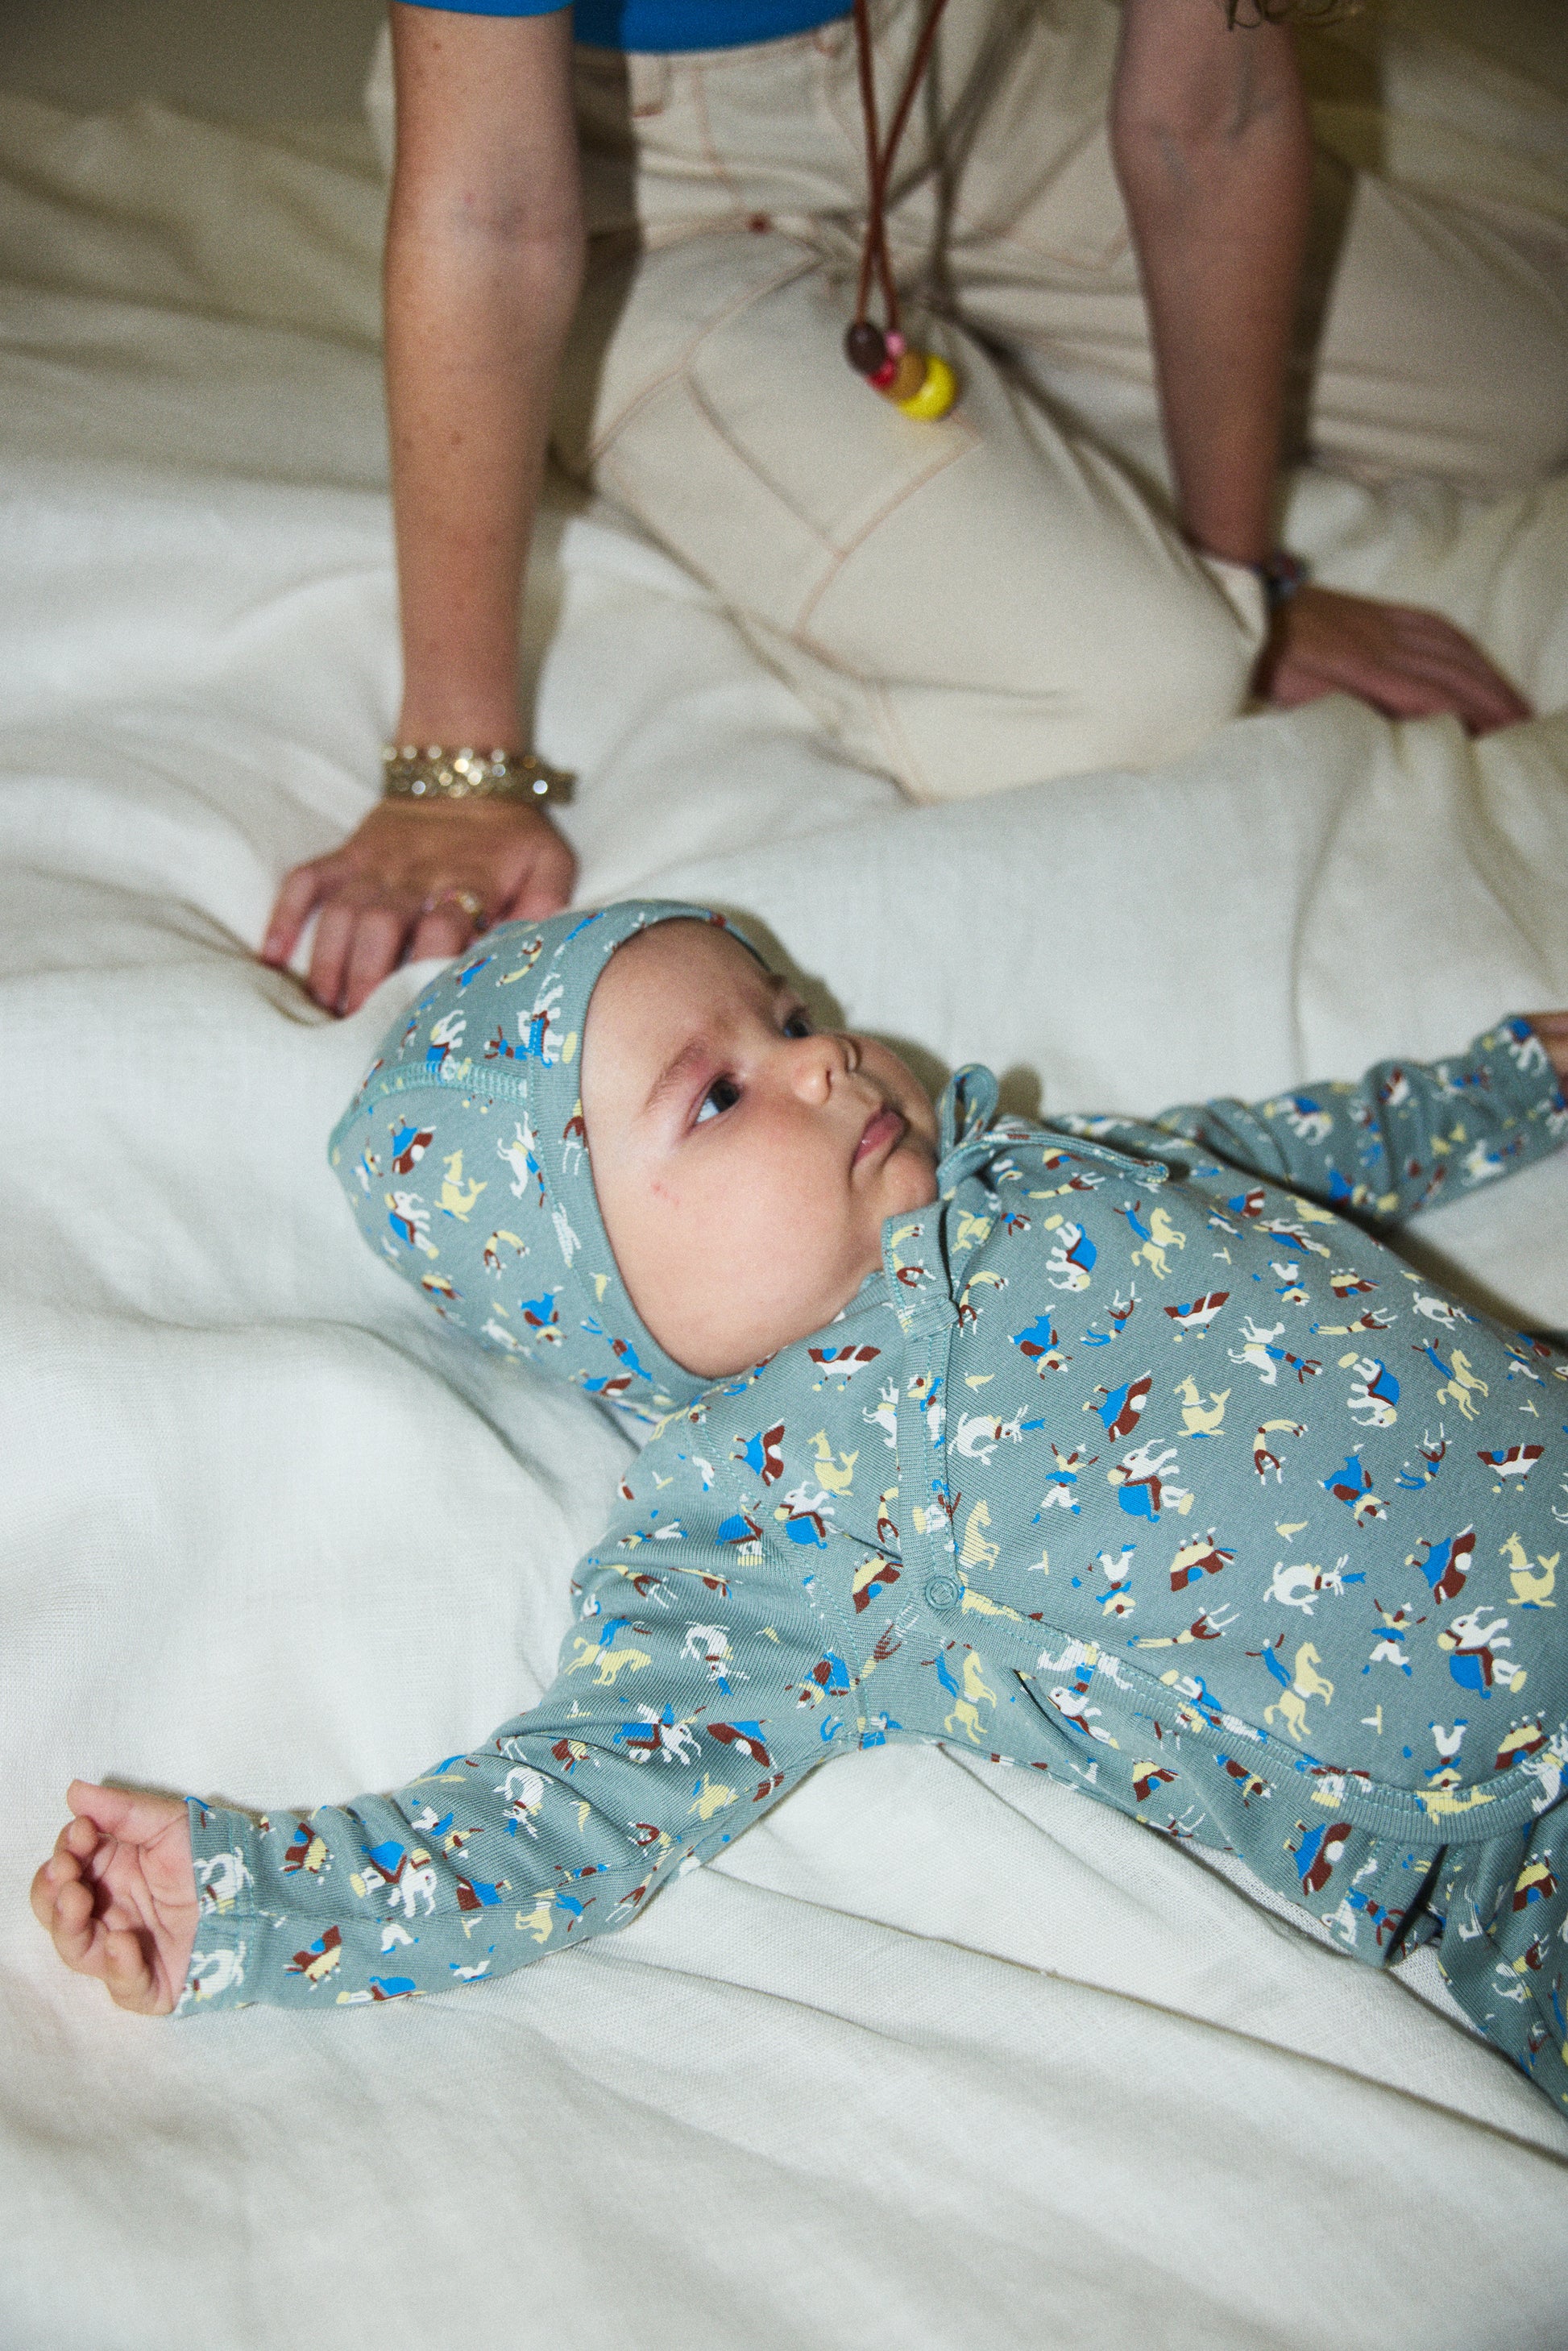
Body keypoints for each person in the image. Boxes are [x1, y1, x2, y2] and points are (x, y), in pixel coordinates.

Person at [35, 901, 1568, 2111]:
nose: (823, 1055)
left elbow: (1282, 1150)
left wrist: (1515, 1082)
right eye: (718, 1094)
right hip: (1505, 1815)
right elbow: (564, 1813)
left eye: (785, 1014)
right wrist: (248, 1897)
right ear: (601, 1290)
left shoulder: (1027, 1161)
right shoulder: (764, 1513)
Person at [259, 0, 1558, 1018]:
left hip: (963, 62)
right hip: (609, 153)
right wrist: (455, 771)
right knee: (1145, 685)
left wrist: (1242, 568)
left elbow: (1210, 107)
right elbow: (489, 214)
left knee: (1533, 382)